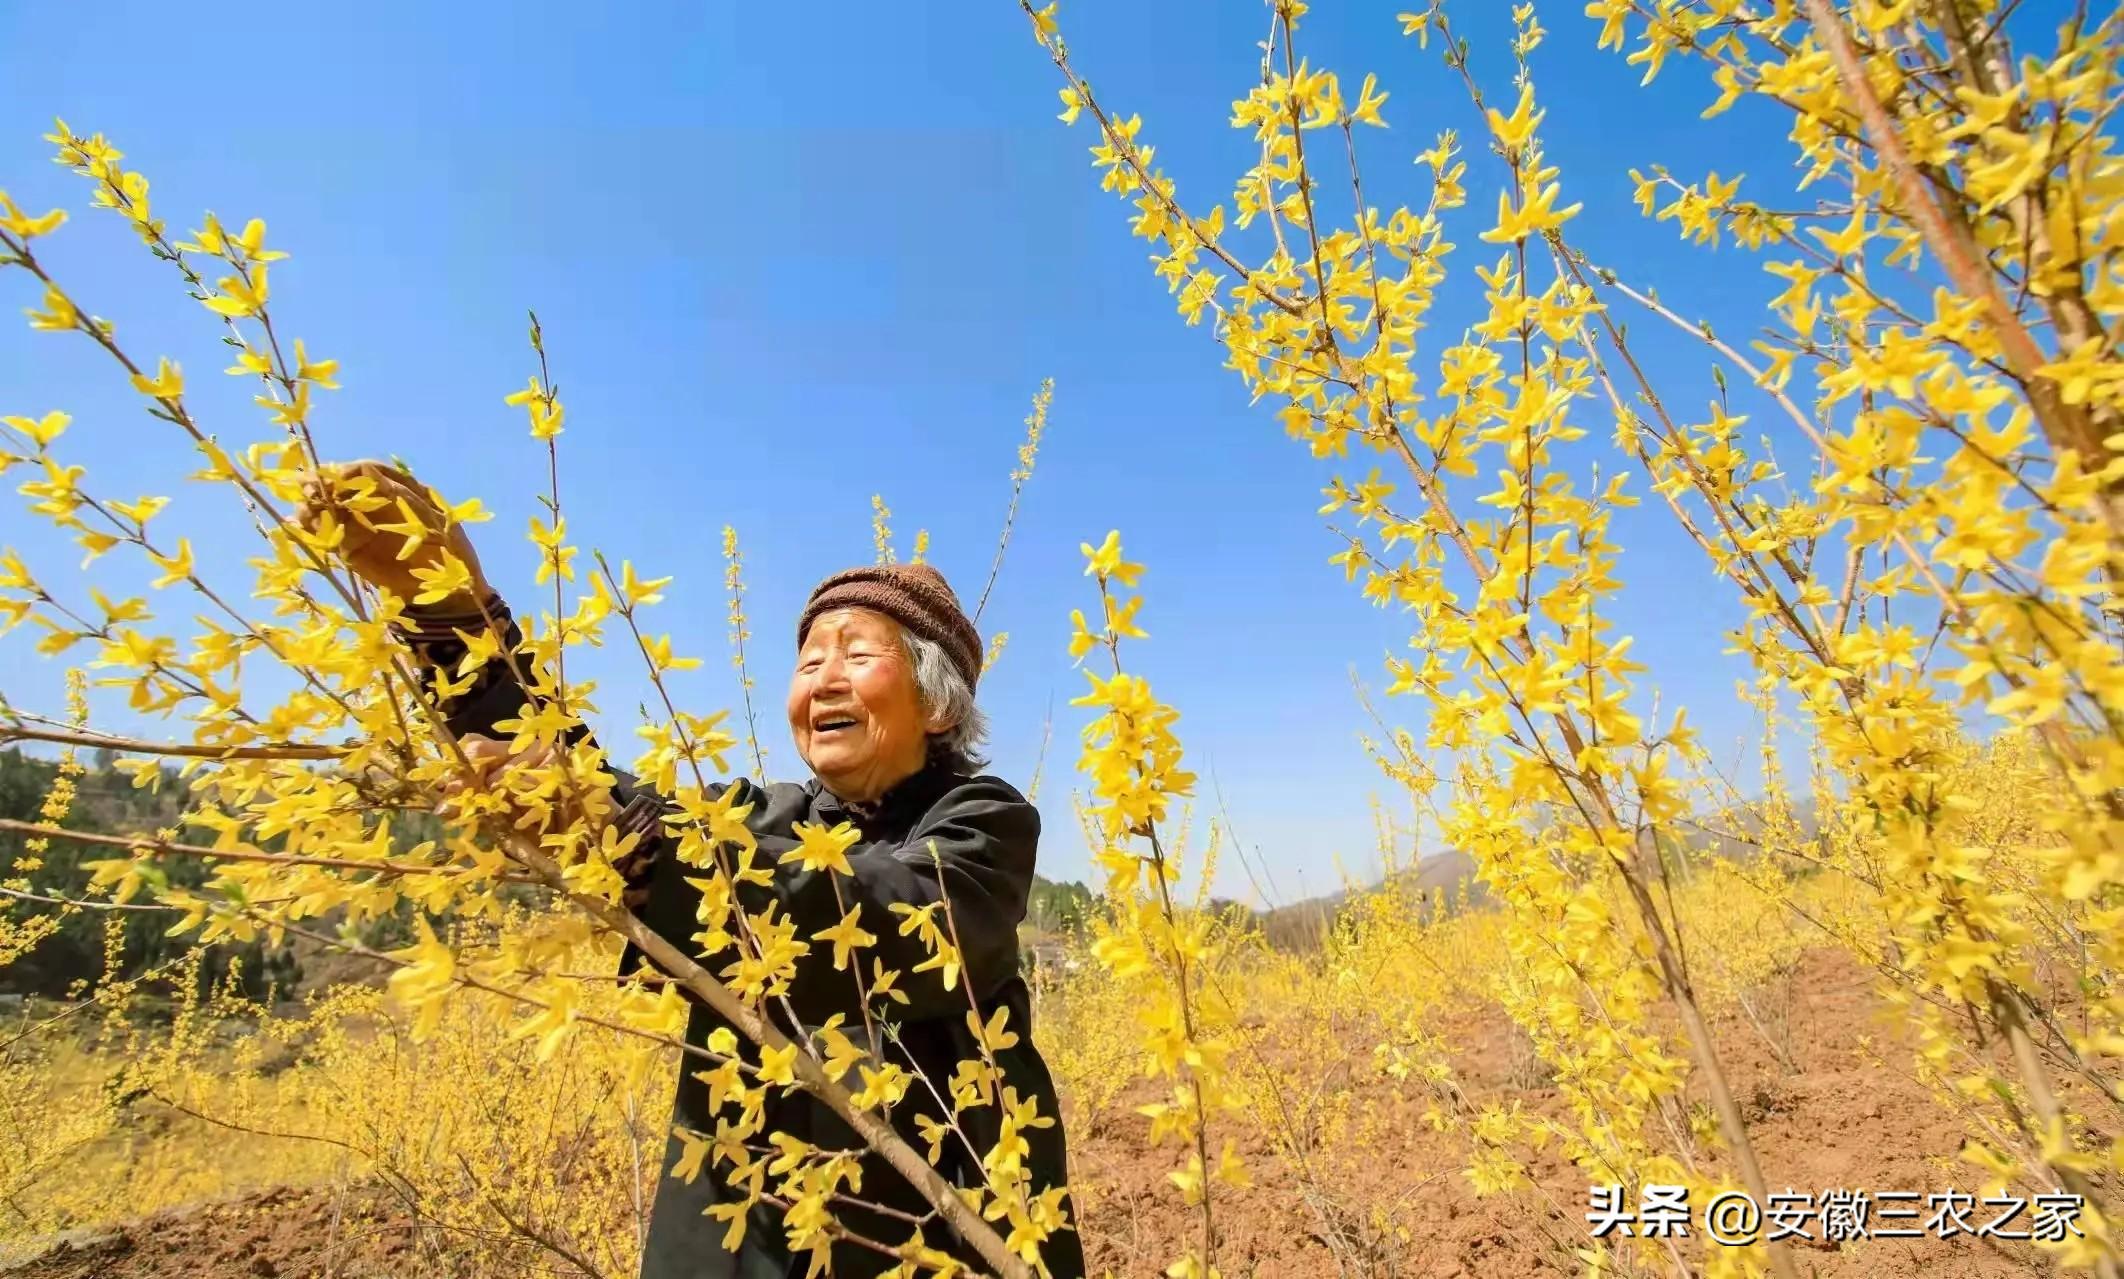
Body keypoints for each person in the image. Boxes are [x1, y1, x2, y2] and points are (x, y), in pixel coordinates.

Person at [298, 461, 1086, 1279]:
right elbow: (587, 786)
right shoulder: (756, 816)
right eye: (809, 661)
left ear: (939, 703)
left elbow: (889, 919)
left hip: (935, 1244)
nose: (823, 680)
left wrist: (634, 841)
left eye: (856, 653)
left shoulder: (983, 823)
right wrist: (453, 617)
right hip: (742, 1244)